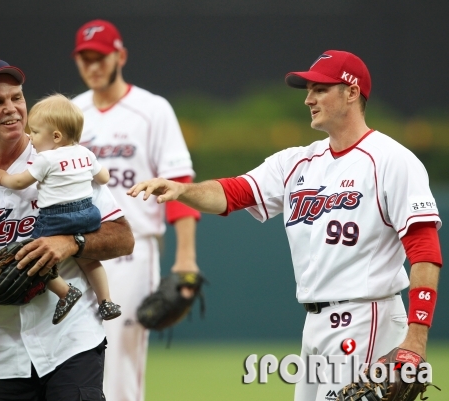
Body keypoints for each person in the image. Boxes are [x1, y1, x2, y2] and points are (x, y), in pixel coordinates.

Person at [127, 50, 442, 400]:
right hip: (316, 324)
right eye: (308, 89)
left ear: (352, 92)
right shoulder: (297, 162)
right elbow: (233, 193)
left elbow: (424, 251)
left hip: (367, 318)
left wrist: (416, 337)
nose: (309, 99)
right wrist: (183, 190)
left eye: (320, 89)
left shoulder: (392, 160)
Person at [0, 57, 134, 401]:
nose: (12, 109)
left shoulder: (66, 159)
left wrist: (71, 243)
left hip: (71, 342)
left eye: (17, 97)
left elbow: (122, 237)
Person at [70, 19, 201, 401]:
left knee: (119, 363)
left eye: (100, 57)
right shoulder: (71, 114)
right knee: (71, 359)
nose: (93, 66)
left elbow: (178, 187)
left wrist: (186, 260)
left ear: (120, 56)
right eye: (85, 58)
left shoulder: (152, 110)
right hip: (77, 251)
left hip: (131, 249)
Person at [0, 93, 121, 325]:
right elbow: (105, 178)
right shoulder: (86, 153)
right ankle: (106, 301)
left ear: (56, 136)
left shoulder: (46, 159)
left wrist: (2, 178)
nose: (31, 138)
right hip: (89, 215)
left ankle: (65, 292)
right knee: (89, 260)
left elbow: (20, 183)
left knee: (34, 256)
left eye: (36, 132)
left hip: (56, 218)